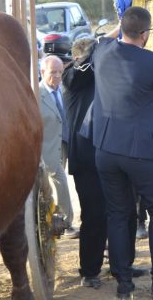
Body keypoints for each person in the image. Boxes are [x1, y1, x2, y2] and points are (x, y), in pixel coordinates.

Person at [92, 6, 153, 298]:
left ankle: (124, 284)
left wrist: (120, 26)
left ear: (121, 29)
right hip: (141, 151)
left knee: (118, 214)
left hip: (106, 148)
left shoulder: (102, 51)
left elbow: (105, 39)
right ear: (146, 35)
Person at [63, 38, 107, 289]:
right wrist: (100, 45)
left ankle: (123, 263)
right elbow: (82, 70)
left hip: (111, 152)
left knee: (120, 213)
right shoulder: (72, 76)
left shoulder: (102, 75)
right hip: (87, 160)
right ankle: (89, 271)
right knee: (94, 215)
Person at [38, 55, 76, 238]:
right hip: (45, 149)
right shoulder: (36, 94)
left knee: (58, 182)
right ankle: (66, 222)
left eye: (60, 72)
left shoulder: (60, 90)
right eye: (53, 73)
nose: (58, 76)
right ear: (42, 72)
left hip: (63, 143)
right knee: (59, 180)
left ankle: (56, 220)